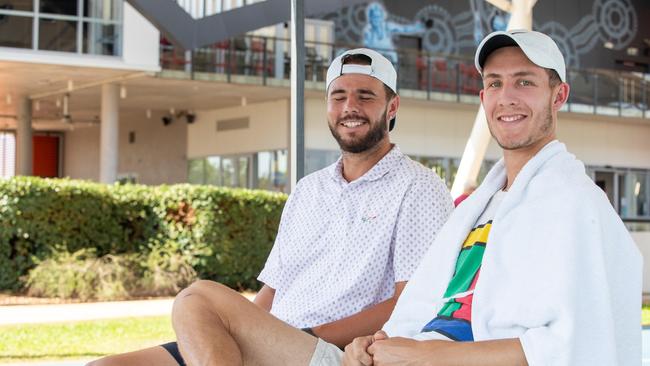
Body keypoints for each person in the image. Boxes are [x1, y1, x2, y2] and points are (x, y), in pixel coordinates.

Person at [88, 48, 453, 366]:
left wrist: (307, 335)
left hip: (332, 351)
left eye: (365, 96)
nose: (350, 107)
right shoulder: (308, 190)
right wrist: (244, 333)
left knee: (195, 297)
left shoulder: (419, 187)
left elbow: (411, 303)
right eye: (338, 96)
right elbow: (272, 293)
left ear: (392, 106)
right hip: (272, 342)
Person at [342, 29, 642, 366]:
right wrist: (371, 345)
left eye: (524, 82)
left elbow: (578, 342)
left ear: (559, 96)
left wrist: (432, 356)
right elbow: (422, 309)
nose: (507, 98)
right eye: (495, 83)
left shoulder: (576, 204)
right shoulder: (474, 209)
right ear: (483, 97)